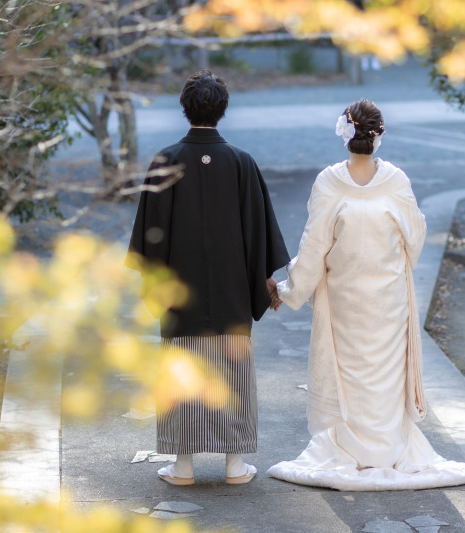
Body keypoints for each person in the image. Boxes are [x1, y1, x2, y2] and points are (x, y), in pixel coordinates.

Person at [266, 99, 465, 491]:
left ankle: (352, 449)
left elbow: (314, 246)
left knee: (351, 377)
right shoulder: (396, 181)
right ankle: (389, 448)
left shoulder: (329, 182)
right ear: (379, 136)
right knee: (385, 377)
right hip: (389, 301)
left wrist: (288, 291)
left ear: (344, 135)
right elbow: (416, 238)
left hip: (344, 300)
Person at [126, 70, 290, 486]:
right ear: (223, 109)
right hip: (233, 293)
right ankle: (235, 465)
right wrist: (263, 282)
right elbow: (259, 232)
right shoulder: (241, 162)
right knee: (231, 370)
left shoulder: (165, 161)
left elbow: (150, 235)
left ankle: (182, 466)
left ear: (185, 108)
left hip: (180, 296)